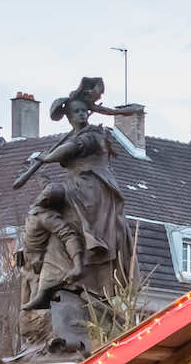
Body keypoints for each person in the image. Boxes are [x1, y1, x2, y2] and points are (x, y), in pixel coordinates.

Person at [14, 77, 136, 298]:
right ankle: (44, 266)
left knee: (66, 220)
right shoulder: (78, 134)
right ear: (69, 117)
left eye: (83, 111)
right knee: (52, 215)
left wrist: (47, 158)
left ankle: (80, 264)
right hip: (78, 187)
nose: (81, 115)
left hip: (92, 189)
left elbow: (73, 148)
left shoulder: (94, 135)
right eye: (76, 112)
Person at [20, 183, 85, 310]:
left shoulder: (47, 217)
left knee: (34, 307)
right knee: (24, 306)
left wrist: (77, 265)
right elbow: (43, 181)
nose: (41, 196)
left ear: (47, 201)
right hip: (27, 261)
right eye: (44, 192)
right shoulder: (36, 210)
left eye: (45, 195)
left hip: (38, 263)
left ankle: (41, 296)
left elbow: (69, 236)